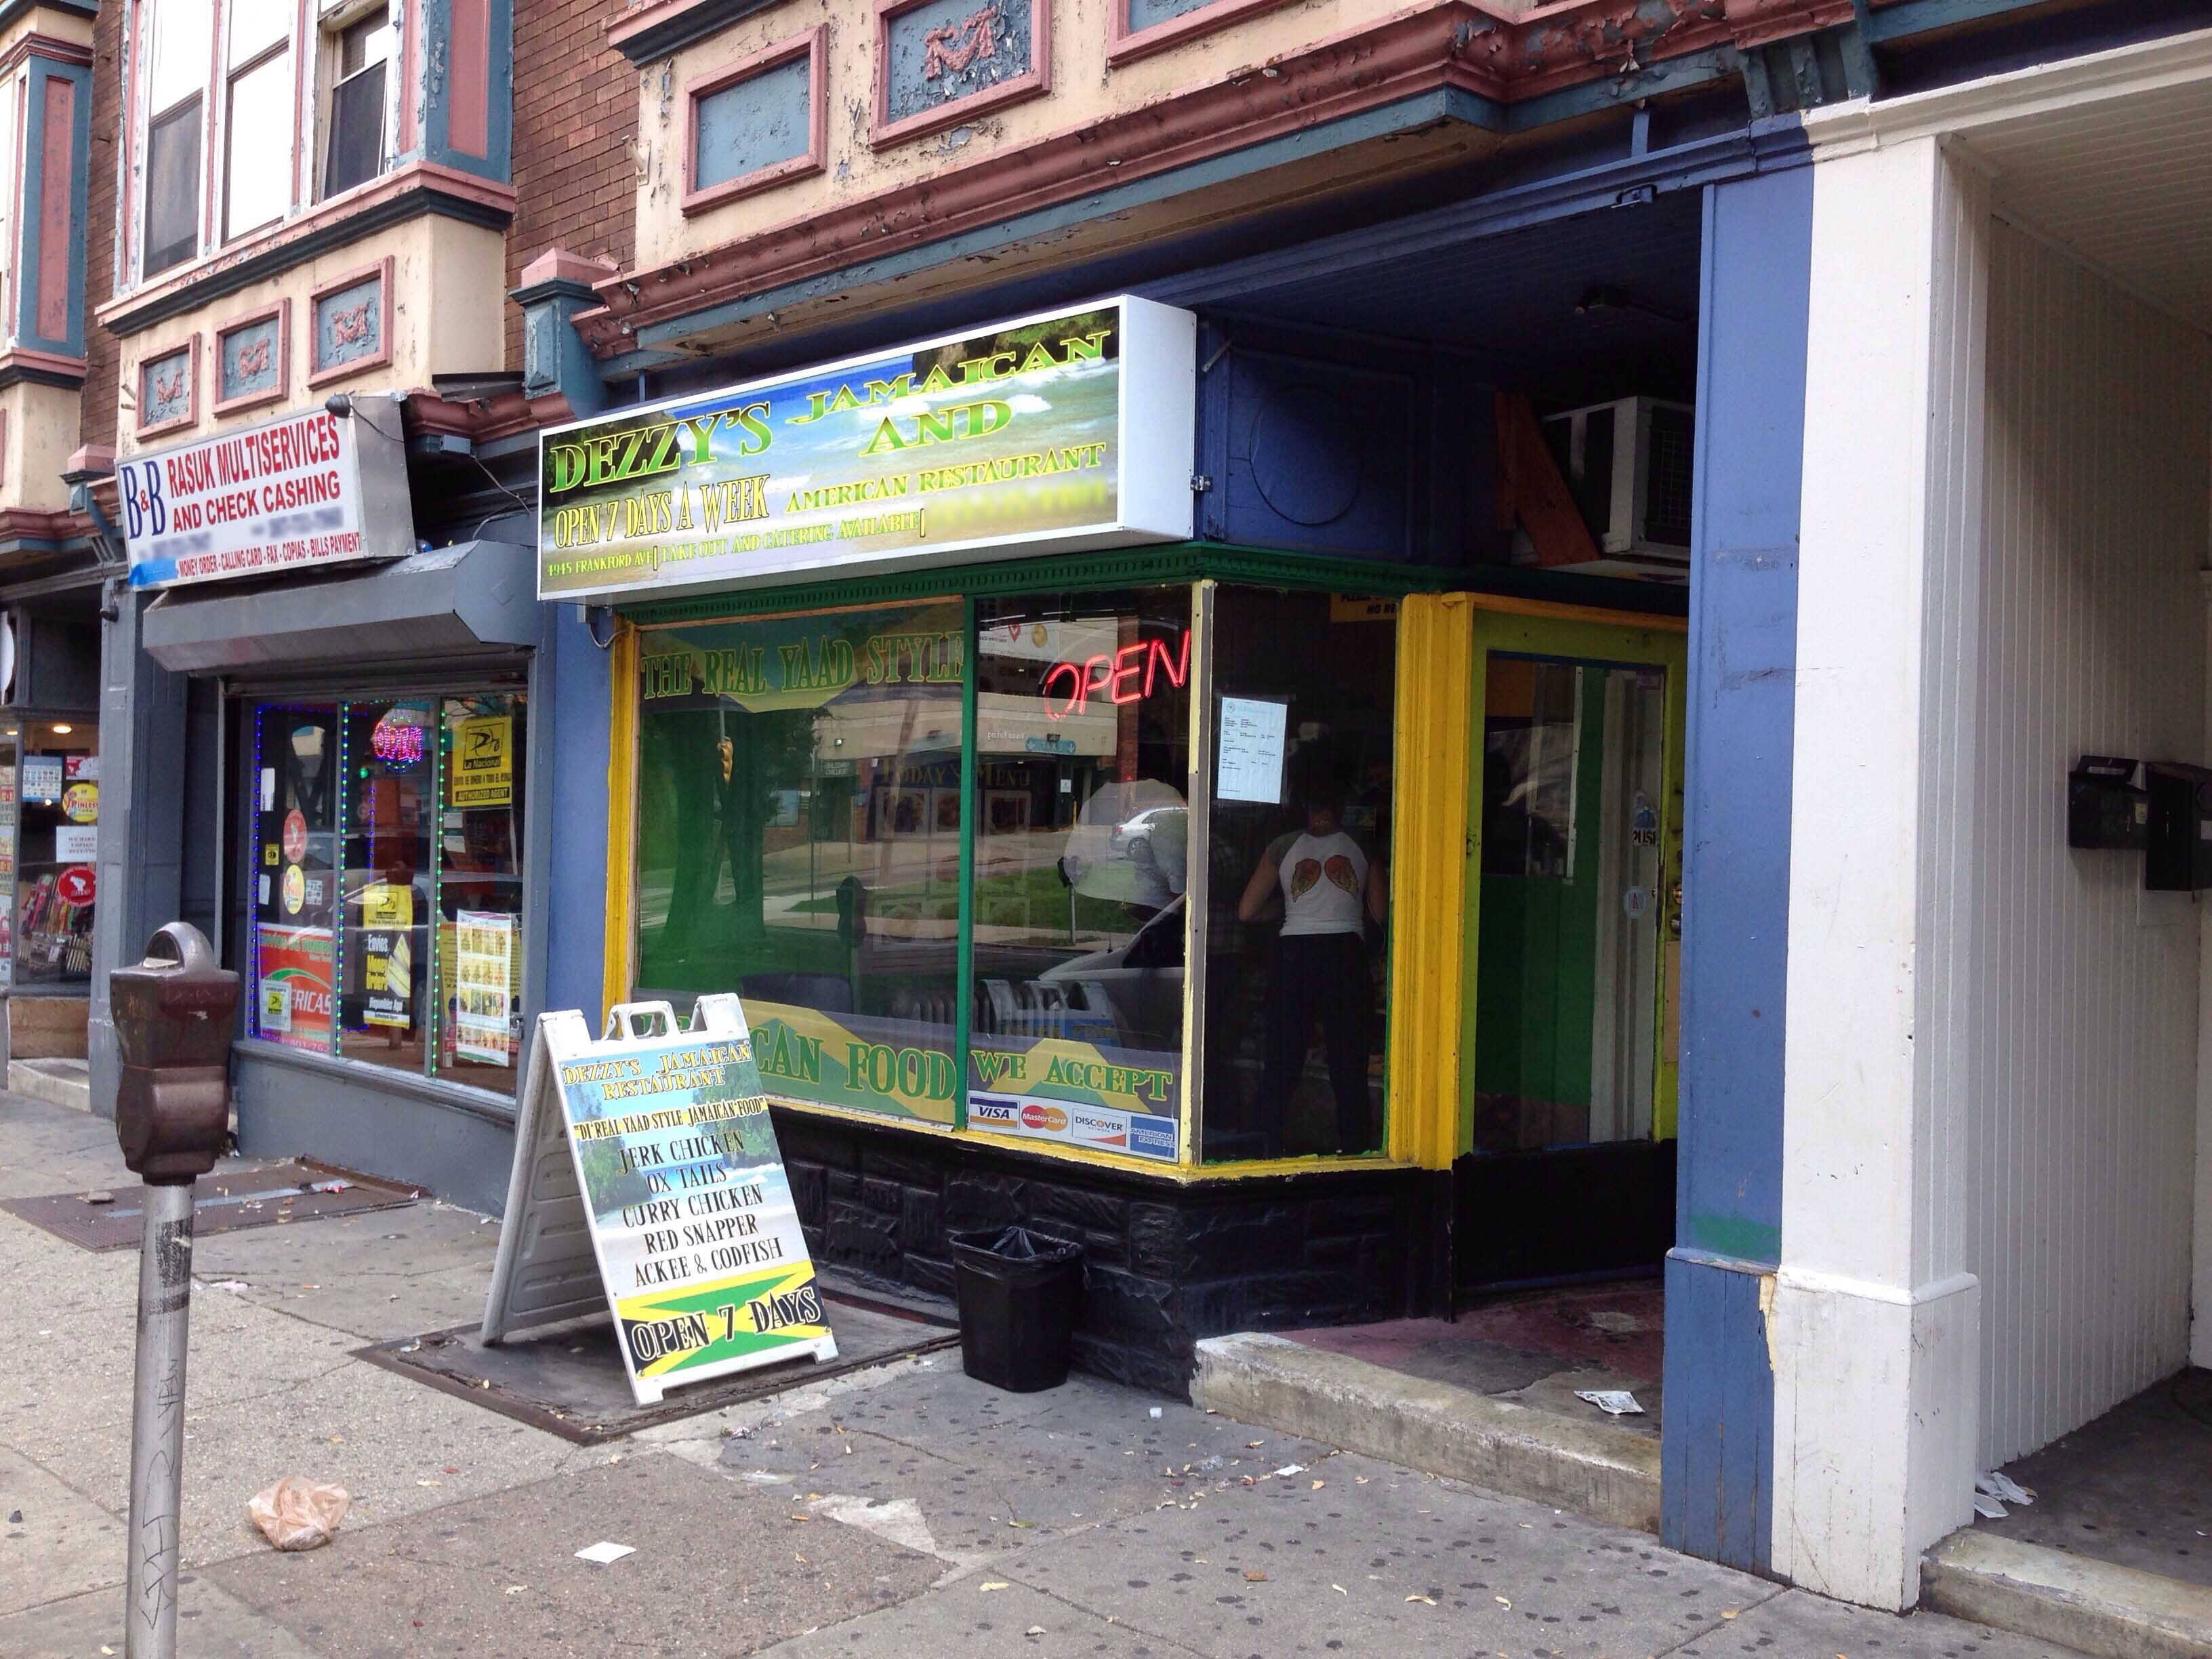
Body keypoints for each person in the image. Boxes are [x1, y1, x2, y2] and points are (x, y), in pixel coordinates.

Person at [1237, 766, 1387, 1153]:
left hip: (1295, 955)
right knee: (1348, 1061)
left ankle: (1264, 1147)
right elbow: (1380, 912)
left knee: (1283, 1060)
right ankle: (1354, 1149)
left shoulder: (1282, 846)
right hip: (1344, 953)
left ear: (1303, 805)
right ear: (1340, 805)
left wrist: (1288, 911)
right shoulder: (1362, 845)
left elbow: (1247, 911)